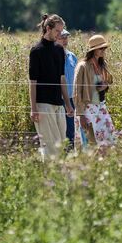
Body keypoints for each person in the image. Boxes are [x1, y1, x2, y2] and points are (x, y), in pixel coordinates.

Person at [29, 14, 74, 159]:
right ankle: (50, 178)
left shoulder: (59, 50)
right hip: (43, 104)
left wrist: (67, 104)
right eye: (57, 31)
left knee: (61, 144)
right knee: (50, 147)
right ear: (48, 28)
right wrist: (33, 108)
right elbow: (32, 82)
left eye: (61, 32)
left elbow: (62, 79)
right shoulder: (36, 51)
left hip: (58, 104)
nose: (60, 35)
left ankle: (58, 177)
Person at [74, 34, 117, 148]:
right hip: (87, 107)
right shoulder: (82, 66)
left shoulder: (103, 64)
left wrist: (105, 86)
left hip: (101, 105)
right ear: (93, 50)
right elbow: (77, 90)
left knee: (109, 138)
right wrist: (81, 114)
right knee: (89, 141)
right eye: (101, 48)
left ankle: (104, 162)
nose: (104, 50)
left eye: (104, 48)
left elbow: (107, 82)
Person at [56, 29, 79, 150]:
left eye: (66, 37)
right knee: (58, 131)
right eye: (61, 37)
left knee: (71, 130)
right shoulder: (52, 57)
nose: (65, 40)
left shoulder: (72, 56)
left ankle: (70, 156)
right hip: (57, 99)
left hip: (71, 99)